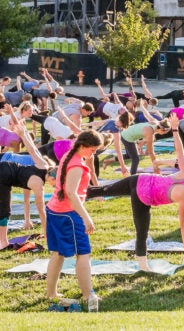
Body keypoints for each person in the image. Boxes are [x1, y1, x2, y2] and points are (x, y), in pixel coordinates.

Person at [86, 116, 184, 270]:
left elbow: (180, 150)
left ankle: (73, 194)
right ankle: (143, 266)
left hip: (138, 180)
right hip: (142, 196)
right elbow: (183, 225)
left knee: (101, 191)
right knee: (142, 232)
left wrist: (175, 129)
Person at [45, 129, 103, 313]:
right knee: (83, 253)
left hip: (54, 210)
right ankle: (87, 295)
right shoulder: (77, 165)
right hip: (68, 214)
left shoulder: (69, 155)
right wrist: (86, 217)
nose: (94, 153)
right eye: (93, 150)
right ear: (83, 146)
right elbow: (71, 193)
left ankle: (51, 293)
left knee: (58, 253)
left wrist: (89, 161)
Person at [0, 115, 54, 248]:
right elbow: (41, 212)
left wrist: (23, 134)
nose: (53, 186)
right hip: (3, 173)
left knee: (4, 209)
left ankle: (3, 241)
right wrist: (23, 134)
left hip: (4, 169)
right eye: (55, 184)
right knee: (4, 210)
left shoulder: (42, 166)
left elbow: (32, 149)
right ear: (53, 178)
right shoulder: (39, 185)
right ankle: (3, 242)